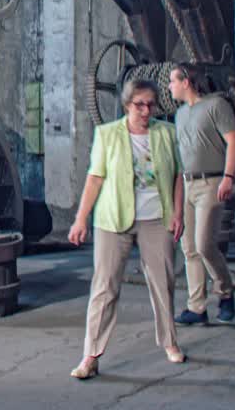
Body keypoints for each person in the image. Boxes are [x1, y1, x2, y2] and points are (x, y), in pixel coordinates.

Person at [68, 79, 186, 379]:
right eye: (139, 105)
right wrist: (81, 219)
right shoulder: (107, 135)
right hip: (112, 219)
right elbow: (95, 178)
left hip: (156, 217)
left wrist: (177, 214)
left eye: (150, 104)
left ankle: (170, 342)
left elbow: (177, 176)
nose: (146, 110)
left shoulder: (167, 133)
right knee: (104, 286)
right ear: (126, 105)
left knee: (163, 281)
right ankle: (90, 355)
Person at [168, 64, 235, 325]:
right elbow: (180, 158)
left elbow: (234, 140)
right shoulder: (180, 115)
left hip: (211, 182)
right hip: (187, 183)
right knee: (188, 249)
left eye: (172, 81)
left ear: (186, 82)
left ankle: (225, 291)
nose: (169, 86)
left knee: (204, 245)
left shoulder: (216, 106)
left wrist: (228, 177)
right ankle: (197, 307)